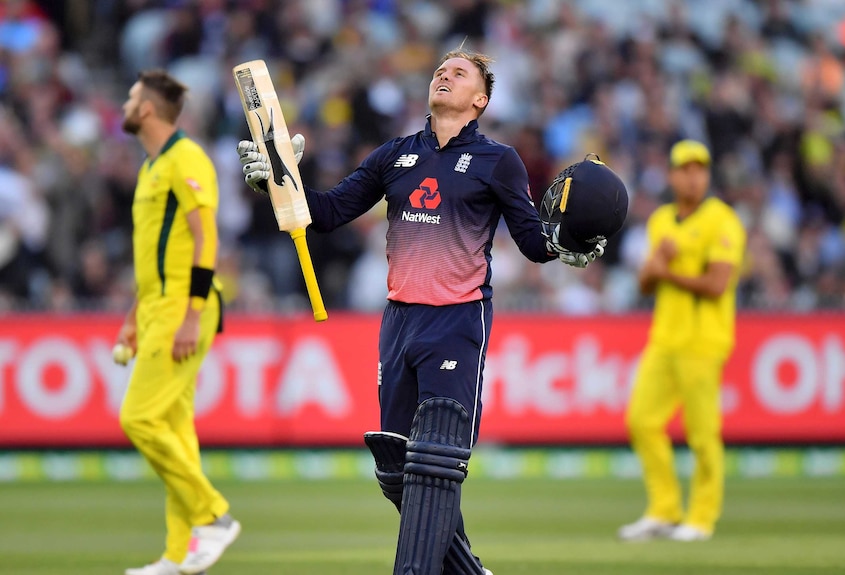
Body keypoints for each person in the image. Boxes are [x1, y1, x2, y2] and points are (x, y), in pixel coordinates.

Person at [238, 50, 607, 575]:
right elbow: (328, 212)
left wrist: (565, 242)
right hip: (400, 322)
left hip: (456, 320)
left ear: (480, 100)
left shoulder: (498, 160)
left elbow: (531, 241)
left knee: (434, 463)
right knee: (398, 472)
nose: (444, 74)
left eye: (459, 73)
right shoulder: (394, 155)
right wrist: (280, 180)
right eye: (441, 69)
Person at [115, 69, 240, 575]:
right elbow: (153, 255)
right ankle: (175, 556)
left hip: (182, 308)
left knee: (138, 418)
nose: (125, 104)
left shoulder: (186, 157)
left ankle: (213, 515)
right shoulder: (151, 167)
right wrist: (132, 316)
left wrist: (189, 315)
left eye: (130, 98)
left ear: (147, 109)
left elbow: (204, 238)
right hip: (156, 307)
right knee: (173, 431)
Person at [618, 140, 746, 542]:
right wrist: (656, 266)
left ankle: (701, 517)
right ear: (672, 175)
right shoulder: (660, 221)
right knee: (641, 421)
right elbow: (643, 284)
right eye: (685, 169)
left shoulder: (722, 220)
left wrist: (666, 269)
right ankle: (665, 509)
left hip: (704, 340)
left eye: (700, 169)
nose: (693, 176)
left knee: (702, 431)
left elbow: (717, 284)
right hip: (665, 337)